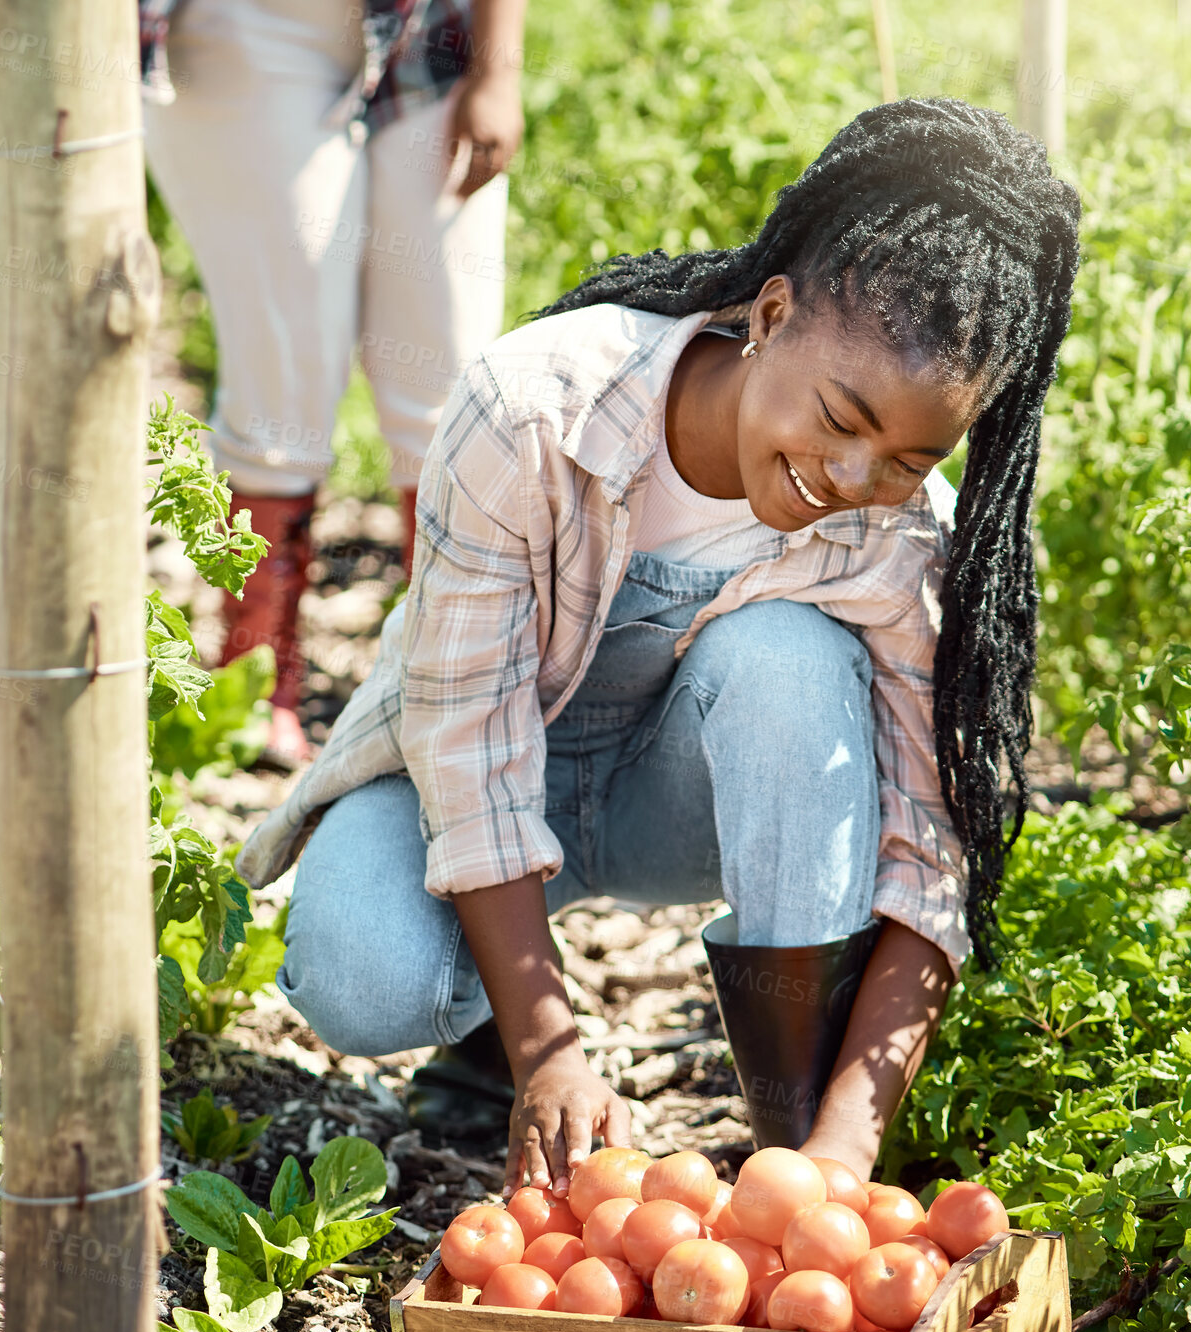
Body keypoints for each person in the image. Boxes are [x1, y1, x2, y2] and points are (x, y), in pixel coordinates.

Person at [236, 97, 1081, 1194]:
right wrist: (552, 1051)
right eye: (838, 416)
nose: (851, 477)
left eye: (904, 458)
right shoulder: (534, 409)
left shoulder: (897, 535)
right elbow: (465, 742)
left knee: (790, 656)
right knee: (360, 972)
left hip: (666, 802)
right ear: (771, 314)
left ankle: (782, 1123)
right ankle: (500, 1022)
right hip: (462, 784)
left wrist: (833, 1157)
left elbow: (928, 851)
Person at [141, 0, 526, 765]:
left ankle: (442, 686)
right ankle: (255, 686)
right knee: (280, 375)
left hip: (429, 36)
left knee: (449, 384)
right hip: (248, 28)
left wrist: (496, 67)